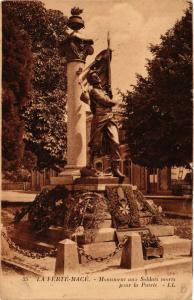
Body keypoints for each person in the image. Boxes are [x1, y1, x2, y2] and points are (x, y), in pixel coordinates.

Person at [85, 71, 125, 180]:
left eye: (97, 75)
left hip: (109, 117)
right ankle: (89, 164)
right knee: (95, 143)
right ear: (91, 81)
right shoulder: (94, 91)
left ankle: (115, 168)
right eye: (94, 77)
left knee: (115, 142)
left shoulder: (104, 90)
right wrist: (116, 101)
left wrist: (109, 94)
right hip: (100, 117)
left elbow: (108, 100)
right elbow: (106, 101)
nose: (97, 77)